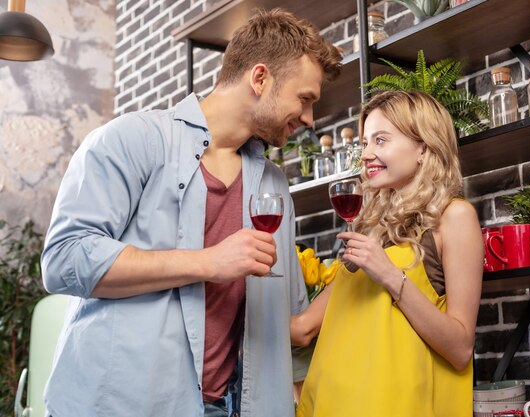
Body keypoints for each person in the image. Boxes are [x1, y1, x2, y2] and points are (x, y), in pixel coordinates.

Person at [40, 8, 342, 417]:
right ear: (260, 78)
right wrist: (207, 261)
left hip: (223, 407)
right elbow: (64, 259)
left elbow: (289, 324)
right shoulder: (132, 139)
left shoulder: (273, 185)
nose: (308, 118)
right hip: (120, 405)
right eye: (304, 99)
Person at [292, 90, 483, 417]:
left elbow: (460, 348)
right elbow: (304, 327)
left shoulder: (454, 217)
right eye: (365, 143)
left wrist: (391, 277)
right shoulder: (368, 230)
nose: (367, 154)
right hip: (331, 405)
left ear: (423, 147)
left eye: (381, 140)